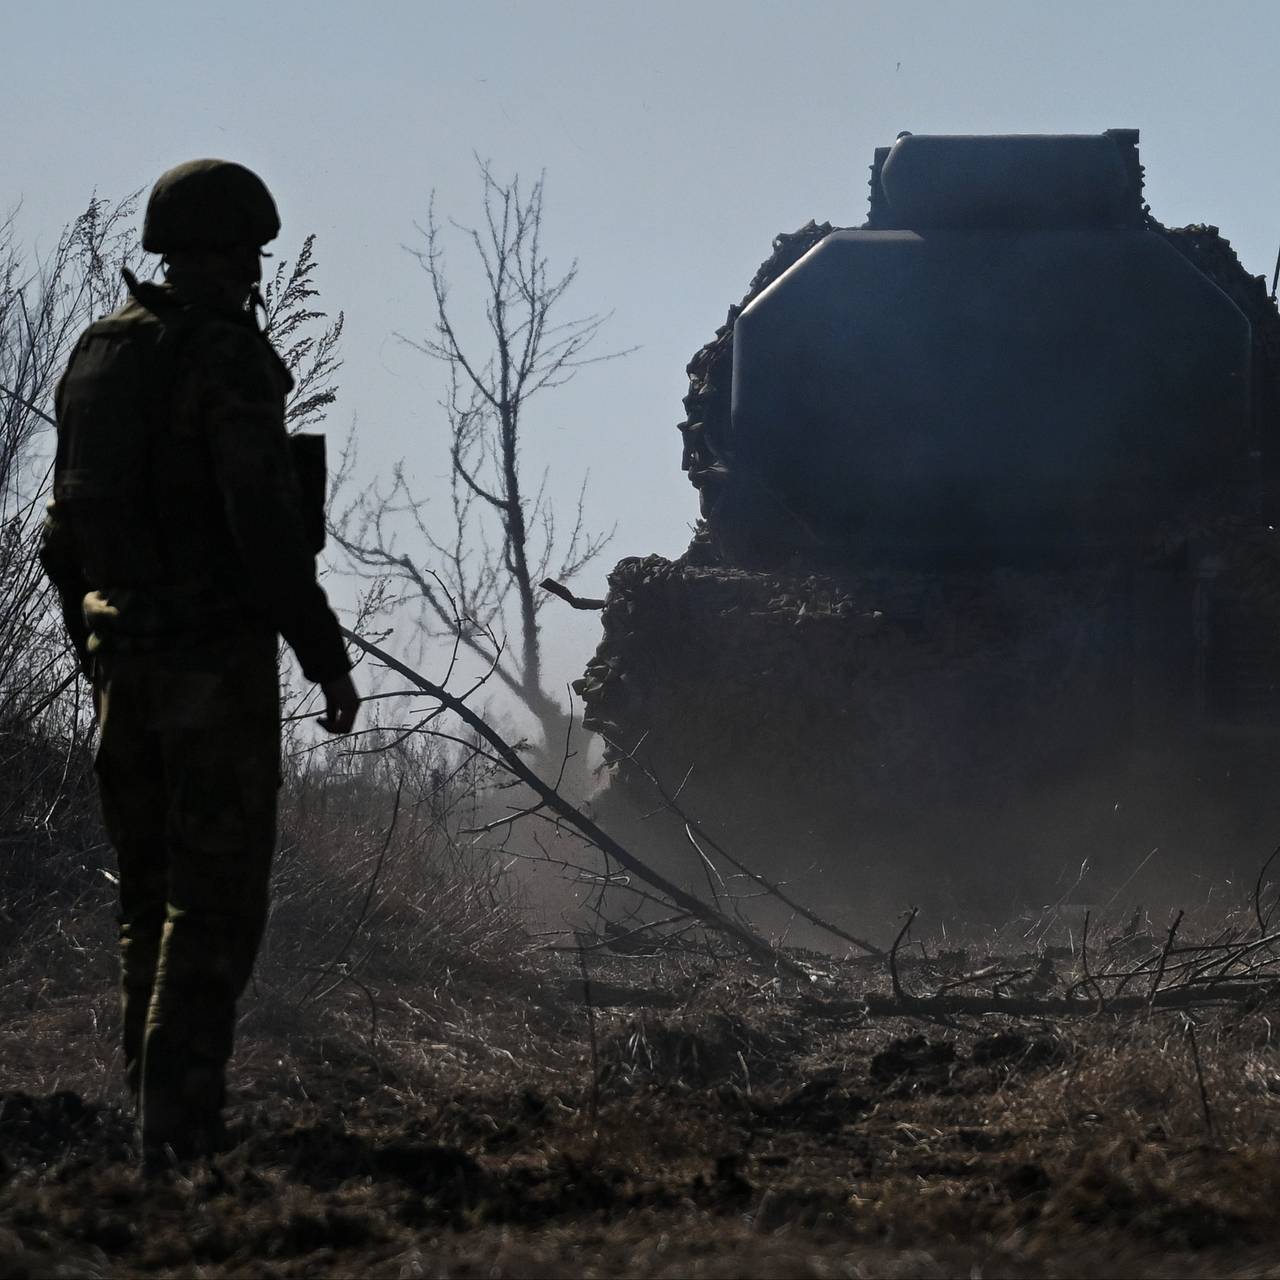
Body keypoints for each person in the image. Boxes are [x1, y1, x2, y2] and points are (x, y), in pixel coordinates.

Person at [39, 158, 359, 1159]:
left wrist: (91, 645)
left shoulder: (100, 355)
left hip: (120, 659)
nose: (254, 276)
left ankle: (152, 1119)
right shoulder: (220, 358)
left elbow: (60, 535)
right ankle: (180, 1131)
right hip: (210, 664)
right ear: (229, 254)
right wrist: (324, 656)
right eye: (249, 258)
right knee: (213, 904)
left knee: (148, 899)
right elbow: (263, 531)